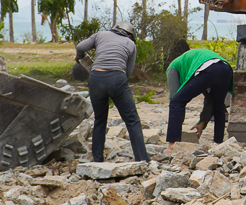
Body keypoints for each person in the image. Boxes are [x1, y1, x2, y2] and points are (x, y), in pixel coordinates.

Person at [76, 20, 150, 163]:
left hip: (96, 78)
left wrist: (80, 57)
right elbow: (127, 72)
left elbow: (80, 47)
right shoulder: (130, 44)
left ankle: (97, 160)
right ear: (129, 35)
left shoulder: (100, 34)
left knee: (100, 119)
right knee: (132, 120)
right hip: (117, 79)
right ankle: (142, 159)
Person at [164, 48, 234, 153]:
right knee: (218, 105)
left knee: (176, 102)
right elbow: (210, 100)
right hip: (226, 69)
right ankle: (219, 145)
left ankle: (172, 146)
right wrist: (202, 122)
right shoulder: (189, 62)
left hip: (208, 68)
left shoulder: (172, 67)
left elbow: (175, 97)